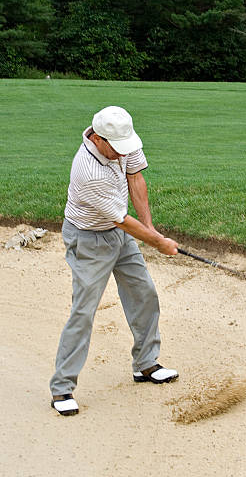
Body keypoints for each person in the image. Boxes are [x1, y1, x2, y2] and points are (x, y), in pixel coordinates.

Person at [50, 106, 179, 416]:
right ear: (97, 138)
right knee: (84, 310)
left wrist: (149, 228)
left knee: (143, 293)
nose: (123, 155)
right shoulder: (87, 169)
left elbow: (135, 179)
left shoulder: (123, 140)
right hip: (89, 239)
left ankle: (145, 364)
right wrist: (158, 242)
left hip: (119, 235)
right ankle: (62, 388)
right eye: (117, 150)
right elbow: (121, 218)